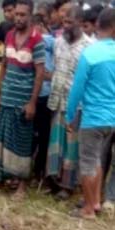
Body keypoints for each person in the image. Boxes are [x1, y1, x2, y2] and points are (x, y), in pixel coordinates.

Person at [0, 0, 45, 200]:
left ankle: (21, 185)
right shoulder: (9, 35)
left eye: (23, 14)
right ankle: (0, 177)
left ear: (31, 15)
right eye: (17, 14)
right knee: (1, 138)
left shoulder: (37, 40)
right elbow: (4, 66)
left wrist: (31, 103)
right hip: (6, 98)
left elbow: (39, 73)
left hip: (23, 101)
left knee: (22, 143)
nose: (18, 18)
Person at [65, 8, 115, 219]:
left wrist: (69, 117)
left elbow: (77, 90)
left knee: (88, 162)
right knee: (97, 162)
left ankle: (88, 209)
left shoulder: (91, 54)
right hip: (112, 118)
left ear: (98, 26)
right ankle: (95, 203)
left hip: (93, 118)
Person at [46, 5, 91, 200]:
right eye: (64, 22)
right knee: (56, 142)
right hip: (57, 100)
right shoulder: (58, 43)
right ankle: (54, 180)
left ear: (81, 23)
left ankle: (68, 185)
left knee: (72, 145)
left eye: (69, 23)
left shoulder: (89, 47)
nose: (65, 26)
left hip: (76, 105)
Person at [31, 14, 55, 182]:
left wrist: (51, 76)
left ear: (39, 25)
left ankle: (39, 170)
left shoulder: (51, 42)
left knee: (43, 135)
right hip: (33, 94)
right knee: (34, 135)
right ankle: (34, 170)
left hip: (45, 95)